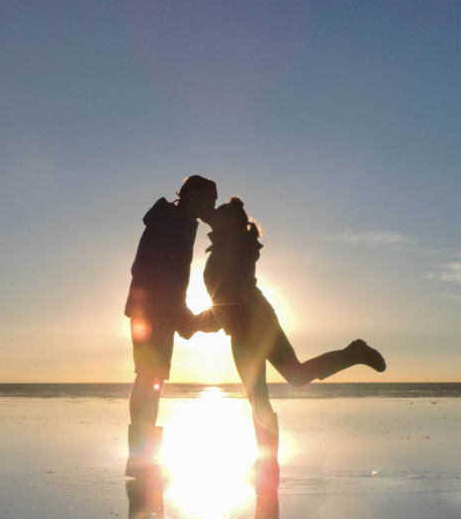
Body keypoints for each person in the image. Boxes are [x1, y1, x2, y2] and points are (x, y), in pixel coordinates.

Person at [201, 196, 386, 477]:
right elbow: (223, 299)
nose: (213, 213)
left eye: (220, 212)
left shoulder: (230, 247)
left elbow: (225, 298)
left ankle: (268, 464)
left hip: (248, 325)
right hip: (256, 320)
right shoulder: (231, 244)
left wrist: (194, 323)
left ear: (230, 221)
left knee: (259, 396)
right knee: (294, 377)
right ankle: (353, 353)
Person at [124, 175, 218, 476]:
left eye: (213, 201)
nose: (210, 207)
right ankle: (143, 459)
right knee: (150, 377)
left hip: (153, 309)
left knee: (151, 377)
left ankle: (143, 455)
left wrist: (178, 314)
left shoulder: (180, 222)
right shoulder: (172, 222)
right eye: (207, 200)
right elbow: (166, 272)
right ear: (189, 197)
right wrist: (180, 315)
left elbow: (172, 274)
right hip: (153, 309)